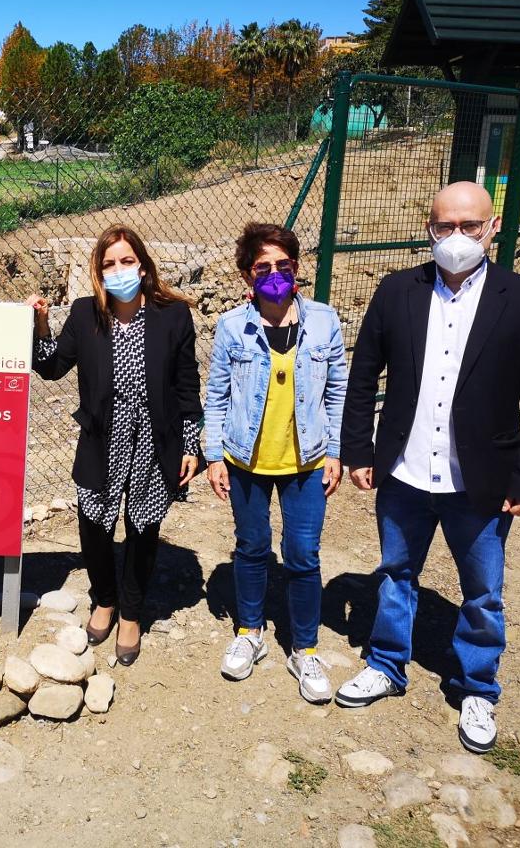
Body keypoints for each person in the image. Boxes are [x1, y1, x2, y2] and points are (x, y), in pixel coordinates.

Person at [336, 182, 520, 753]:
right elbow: (363, 376)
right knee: (394, 573)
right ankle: (387, 664)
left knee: (483, 591)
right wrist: (358, 450)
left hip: (480, 481)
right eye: (444, 226)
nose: (456, 237)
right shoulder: (397, 292)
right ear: (429, 228)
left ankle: (477, 686)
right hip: (406, 474)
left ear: (491, 229)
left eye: (469, 225)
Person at [26, 225, 203, 666]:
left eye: (126, 261)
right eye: (109, 264)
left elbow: (187, 387)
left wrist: (190, 445)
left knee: (143, 530)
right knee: (94, 527)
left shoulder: (173, 315)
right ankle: (104, 599)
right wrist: (41, 323)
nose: (119, 270)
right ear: (98, 272)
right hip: (102, 438)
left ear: (142, 266)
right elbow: (50, 367)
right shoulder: (87, 313)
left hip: (153, 439)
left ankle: (131, 613)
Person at [203, 223, 348, 704]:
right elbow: (217, 397)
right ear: (248, 274)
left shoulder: (325, 322)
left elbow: (337, 392)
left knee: (304, 555)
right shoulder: (231, 326)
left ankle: (304, 648)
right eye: (263, 267)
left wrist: (335, 450)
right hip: (245, 460)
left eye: (283, 266)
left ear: (297, 268)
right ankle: (249, 631)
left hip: (306, 462)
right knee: (251, 547)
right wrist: (213, 455)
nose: (274, 275)